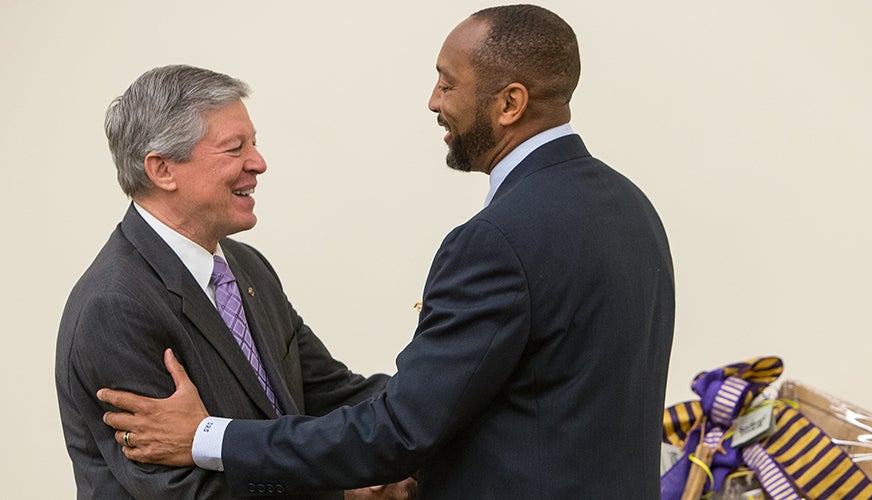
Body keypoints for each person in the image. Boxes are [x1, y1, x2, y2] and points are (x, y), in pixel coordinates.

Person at [99, 5, 675, 499]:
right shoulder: (631, 208)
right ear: (160, 169)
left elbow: (397, 427)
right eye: (235, 146)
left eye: (448, 84)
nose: (432, 101)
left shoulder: (495, 241)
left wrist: (205, 437)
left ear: (510, 104)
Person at [55, 65, 415, 500]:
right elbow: (183, 492)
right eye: (234, 149)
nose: (258, 163)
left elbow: (335, 395)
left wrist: (450, 399)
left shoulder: (246, 267)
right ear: (162, 170)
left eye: (254, 143)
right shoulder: (114, 307)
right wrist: (344, 494)